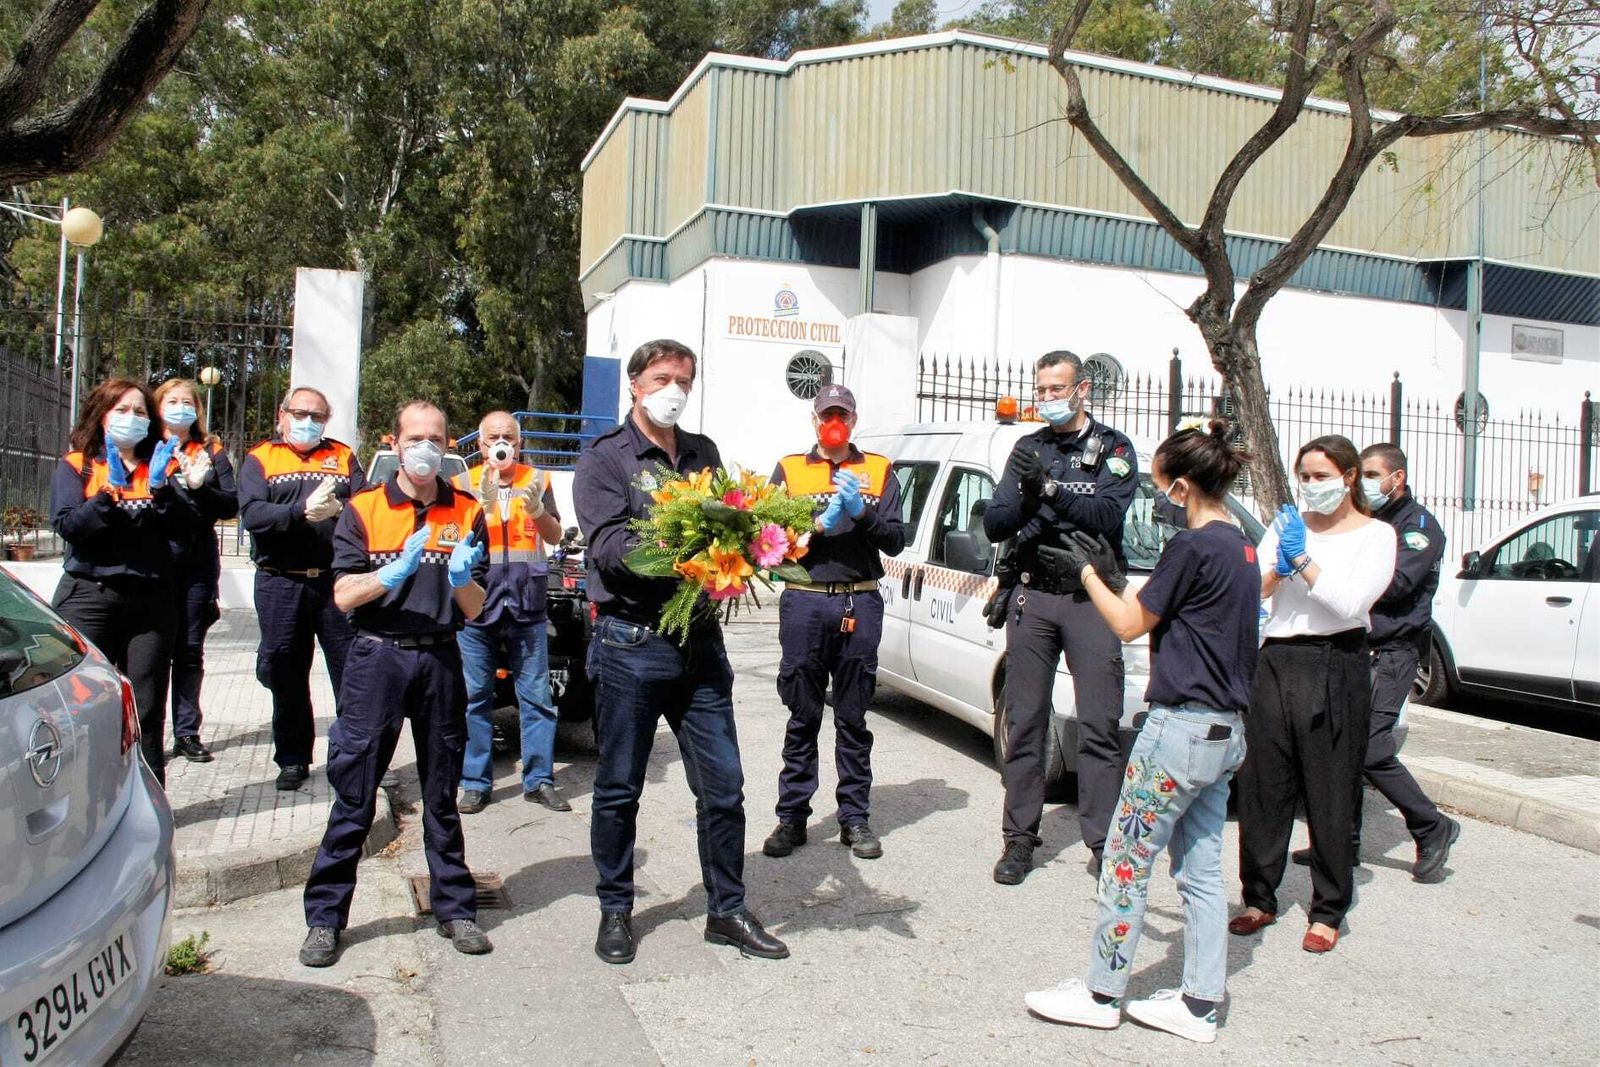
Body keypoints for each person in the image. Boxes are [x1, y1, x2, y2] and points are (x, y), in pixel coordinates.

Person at [1024, 420, 1257, 1044]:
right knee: (1203, 873)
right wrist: (1115, 578)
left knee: (1127, 860)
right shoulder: (1239, 546)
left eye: (1160, 486)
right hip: (1224, 732)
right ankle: (1201, 1003)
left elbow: (1128, 625)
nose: (1156, 499)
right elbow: (1168, 607)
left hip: (1179, 730)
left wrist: (1089, 577)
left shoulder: (1189, 547)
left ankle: (1102, 992)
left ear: (1181, 487)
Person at [575, 338, 788, 965]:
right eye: (663, 378)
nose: (675, 390)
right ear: (635, 385)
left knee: (724, 787)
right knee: (619, 787)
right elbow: (610, 548)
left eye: (685, 381)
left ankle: (726, 909)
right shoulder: (605, 459)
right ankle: (616, 909)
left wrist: (742, 551)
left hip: (700, 647)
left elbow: (730, 520)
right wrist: (685, 557)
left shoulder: (703, 454)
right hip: (631, 645)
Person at [300, 400, 492, 967]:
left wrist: (459, 580)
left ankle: (455, 909)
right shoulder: (362, 509)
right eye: (415, 437)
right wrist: (387, 576)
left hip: (439, 659)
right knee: (355, 791)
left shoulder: (468, 509)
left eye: (436, 437)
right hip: (376, 659)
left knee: (442, 792)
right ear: (395, 442)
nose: (425, 447)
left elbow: (477, 608)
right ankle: (325, 919)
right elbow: (340, 597)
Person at [1231, 435, 1396, 954]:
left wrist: (1303, 561)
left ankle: (1328, 908)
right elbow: (1250, 589)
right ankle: (1258, 895)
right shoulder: (1286, 526)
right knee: (1264, 784)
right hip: (1276, 659)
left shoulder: (1376, 535)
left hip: (1334, 661)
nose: (1310, 486)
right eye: (1304, 476)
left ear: (1348, 478)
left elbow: (1350, 605)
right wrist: (1279, 564)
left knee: (1329, 788)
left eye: (1321, 476)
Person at [983, 350, 1138, 884]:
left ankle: (1102, 843)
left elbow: (1107, 514)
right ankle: (1019, 839)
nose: (1047, 398)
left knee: (1098, 724)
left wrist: (1050, 492)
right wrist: (1029, 495)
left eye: (1056, 389)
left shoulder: (1113, 449)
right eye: (1041, 389)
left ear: (1082, 389)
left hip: (1091, 598)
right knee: (1025, 721)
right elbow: (995, 523)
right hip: (1034, 597)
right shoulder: (1028, 448)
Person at [1289, 444, 1458, 881]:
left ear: (1396, 478)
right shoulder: (1371, 521)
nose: (1362, 481)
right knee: (1340, 746)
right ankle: (1342, 843)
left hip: (1393, 652)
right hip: (1356, 648)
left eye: (1370, 473)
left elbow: (1398, 583)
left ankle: (1432, 826)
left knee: (1372, 747)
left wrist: (1342, 576)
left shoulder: (1417, 527)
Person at [761, 384, 906, 862]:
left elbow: (895, 541)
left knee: (853, 716)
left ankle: (855, 818)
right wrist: (816, 525)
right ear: (815, 420)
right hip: (804, 602)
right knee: (802, 714)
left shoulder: (879, 469)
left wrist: (861, 514)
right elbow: (771, 542)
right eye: (827, 414)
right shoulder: (790, 468)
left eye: (841, 413)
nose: (834, 421)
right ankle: (793, 817)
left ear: (854, 418)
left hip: (858, 602)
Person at [50, 377, 192, 784]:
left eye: (141, 411)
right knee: (84, 703)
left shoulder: (160, 462)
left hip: (150, 602)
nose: (133, 418)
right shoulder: (78, 464)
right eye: (123, 410)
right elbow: (71, 527)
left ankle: (148, 797)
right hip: (89, 598)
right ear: (102, 415)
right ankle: (80, 794)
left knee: (145, 707)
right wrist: (108, 494)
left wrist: (164, 490)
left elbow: (185, 530)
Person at [239, 387, 365, 790]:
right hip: (280, 580)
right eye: (300, 413)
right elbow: (253, 514)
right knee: (286, 671)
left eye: (318, 416)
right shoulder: (261, 458)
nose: (308, 421)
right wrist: (300, 512)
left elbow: (367, 509)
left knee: (350, 671)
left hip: (333, 581)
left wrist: (341, 510)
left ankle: (351, 758)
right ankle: (292, 758)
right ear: (283, 413)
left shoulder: (342, 456)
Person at [452, 410, 567, 814]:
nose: (501, 443)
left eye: (509, 436)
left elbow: (553, 536)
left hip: (526, 604)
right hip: (477, 605)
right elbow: (452, 541)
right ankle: (475, 782)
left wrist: (536, 510)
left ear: (519, 442)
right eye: (493, 437)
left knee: (536, 697)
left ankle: (539, 780)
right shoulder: (461, 484)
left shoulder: (538, 479)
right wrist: (478, 509)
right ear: (480, 444)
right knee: (474, 696)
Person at [152, 378, 239, 763]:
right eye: (172, 401)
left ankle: (186, 732)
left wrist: (200, 487)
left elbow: (230, 504)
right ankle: (145, 731)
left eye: (188, 402)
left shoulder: (211, 450)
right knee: (150, 652)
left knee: (189, 650)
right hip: (154, 560)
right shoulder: (146, 448)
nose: (181, 407)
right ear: (158, 407)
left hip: (198, 561)